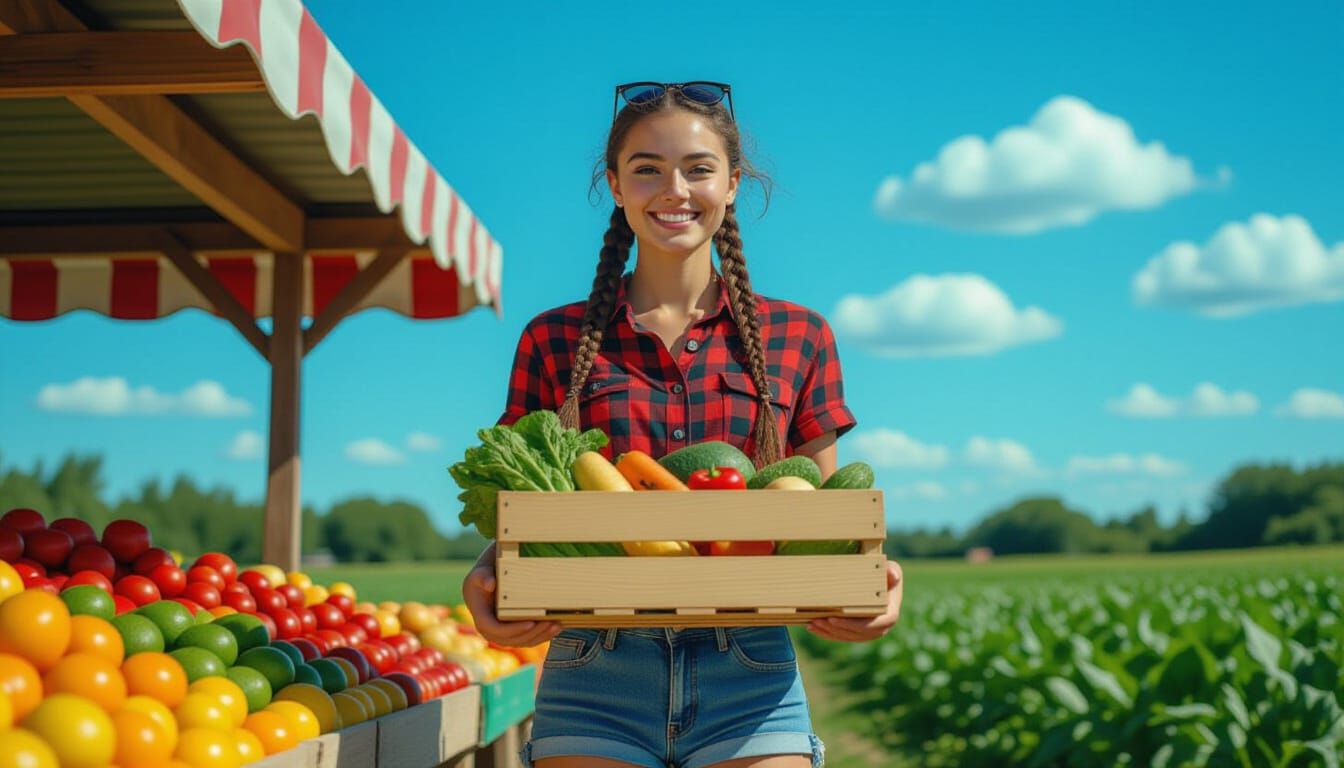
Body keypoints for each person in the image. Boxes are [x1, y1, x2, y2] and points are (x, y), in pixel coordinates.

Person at [462, 81, 904, 768]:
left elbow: (829, 516)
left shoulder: (800, 335)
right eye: (647, 169)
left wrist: (871, 586)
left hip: (750, 671)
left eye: (698, 168)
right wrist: (488, 580)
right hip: (591, 665)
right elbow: (523, 514)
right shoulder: (553, 339)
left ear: (732, 185)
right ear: (614, 185)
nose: (674, 189)